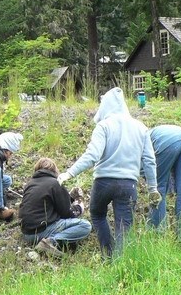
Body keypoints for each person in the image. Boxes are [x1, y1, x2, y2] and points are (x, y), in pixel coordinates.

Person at [57, 87, 160, 257]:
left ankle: (108, 255)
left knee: (97, 215)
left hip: (103, 182)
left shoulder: (103, 126)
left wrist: (69, 173)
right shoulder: (141, 127)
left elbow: (92, 155)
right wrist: (152, 188)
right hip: (129, 184)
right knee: (124, 226)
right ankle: (121, 266)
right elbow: (149, 161)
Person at [18, 157, 92, 257]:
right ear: (54, 170)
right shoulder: (55, 183)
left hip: (27, 234)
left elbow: (48, 204)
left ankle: (46, 243)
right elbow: (66, 213)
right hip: (42, 230)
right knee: (85, 225)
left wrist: (69, 198)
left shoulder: (29, 184)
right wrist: (79, 207)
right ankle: (50, 242)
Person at [147, 124, 181, 239]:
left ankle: (157, 232)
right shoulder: (150, 132)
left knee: (158, 188)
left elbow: (147, 169)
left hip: (166, 142)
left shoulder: (140, 141)